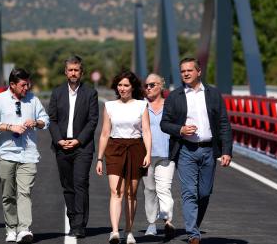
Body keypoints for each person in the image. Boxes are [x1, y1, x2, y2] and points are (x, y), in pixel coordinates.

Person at [160, 58, 232, 244]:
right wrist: (180, 130)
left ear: (199, 72)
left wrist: (226, 150)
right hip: (186, 150)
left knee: (204, 193)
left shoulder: (213, 94)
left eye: (189, 70)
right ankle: (193, 234)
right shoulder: (174, 96)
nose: (185, 74)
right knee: (189, 192)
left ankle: (194, 225)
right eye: (182, 71)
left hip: (209, 150)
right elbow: (164, 123)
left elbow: (223, 123)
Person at [0, 68, 50, 243]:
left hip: (28, 155)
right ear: (12, 85)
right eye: (23, 85)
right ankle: (11, 228)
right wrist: (9, 127)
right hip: (6, 153)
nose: (26, 88)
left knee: (25, 192)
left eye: (28, 84)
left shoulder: (33, 100)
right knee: (8, 194)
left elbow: (46, 120)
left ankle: (24, 229)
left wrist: (36, 122)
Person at [96, 70, 151, 244]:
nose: (122, 88)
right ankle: (114, 232)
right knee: (116, 191)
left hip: (135, 147)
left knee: (131, 193)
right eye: (120, 85)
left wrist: (148, 153)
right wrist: (99, 158)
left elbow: (147, 131)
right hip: (115, 148)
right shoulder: (110, 106)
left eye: (126, 85)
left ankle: (129, 231)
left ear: (132, 87)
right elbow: (105, 133)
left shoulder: (142, 106)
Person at [47, 55, 98, 238]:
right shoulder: (57, 92)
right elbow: (51, 119)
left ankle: (80, 224)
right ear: (65, 72)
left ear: (81, 72)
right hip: (61, 145)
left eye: (76, 70)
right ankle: (72, 219)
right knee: (67, 186)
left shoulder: (90, 93)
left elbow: (93, 121)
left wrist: (78, 140)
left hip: (82, 146)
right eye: (70, 70)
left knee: (80, 183)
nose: (73, 73)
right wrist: (59, 139)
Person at [141, 73, 176, 239]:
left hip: (166, 154)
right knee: (149, 190)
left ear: (161, 86)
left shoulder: (170, 106)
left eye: (152, 85)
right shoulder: (140, 106)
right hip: (145, 155)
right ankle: (151, 224)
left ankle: (168, 221)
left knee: (164, 188)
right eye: (146, 85)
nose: (148, 88)